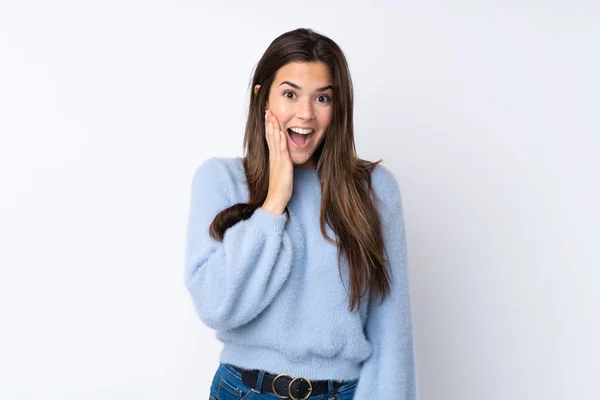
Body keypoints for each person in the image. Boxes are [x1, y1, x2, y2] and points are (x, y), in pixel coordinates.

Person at [185, 28, 417, 400]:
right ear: (263, 97)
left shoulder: (373, 188)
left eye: (322, 98)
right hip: (243, 391)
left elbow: (392, 331)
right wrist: (275, 201)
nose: (305, 114)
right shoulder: (221, 180)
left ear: (337, 107)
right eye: (290, 94)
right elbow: (217, 306)